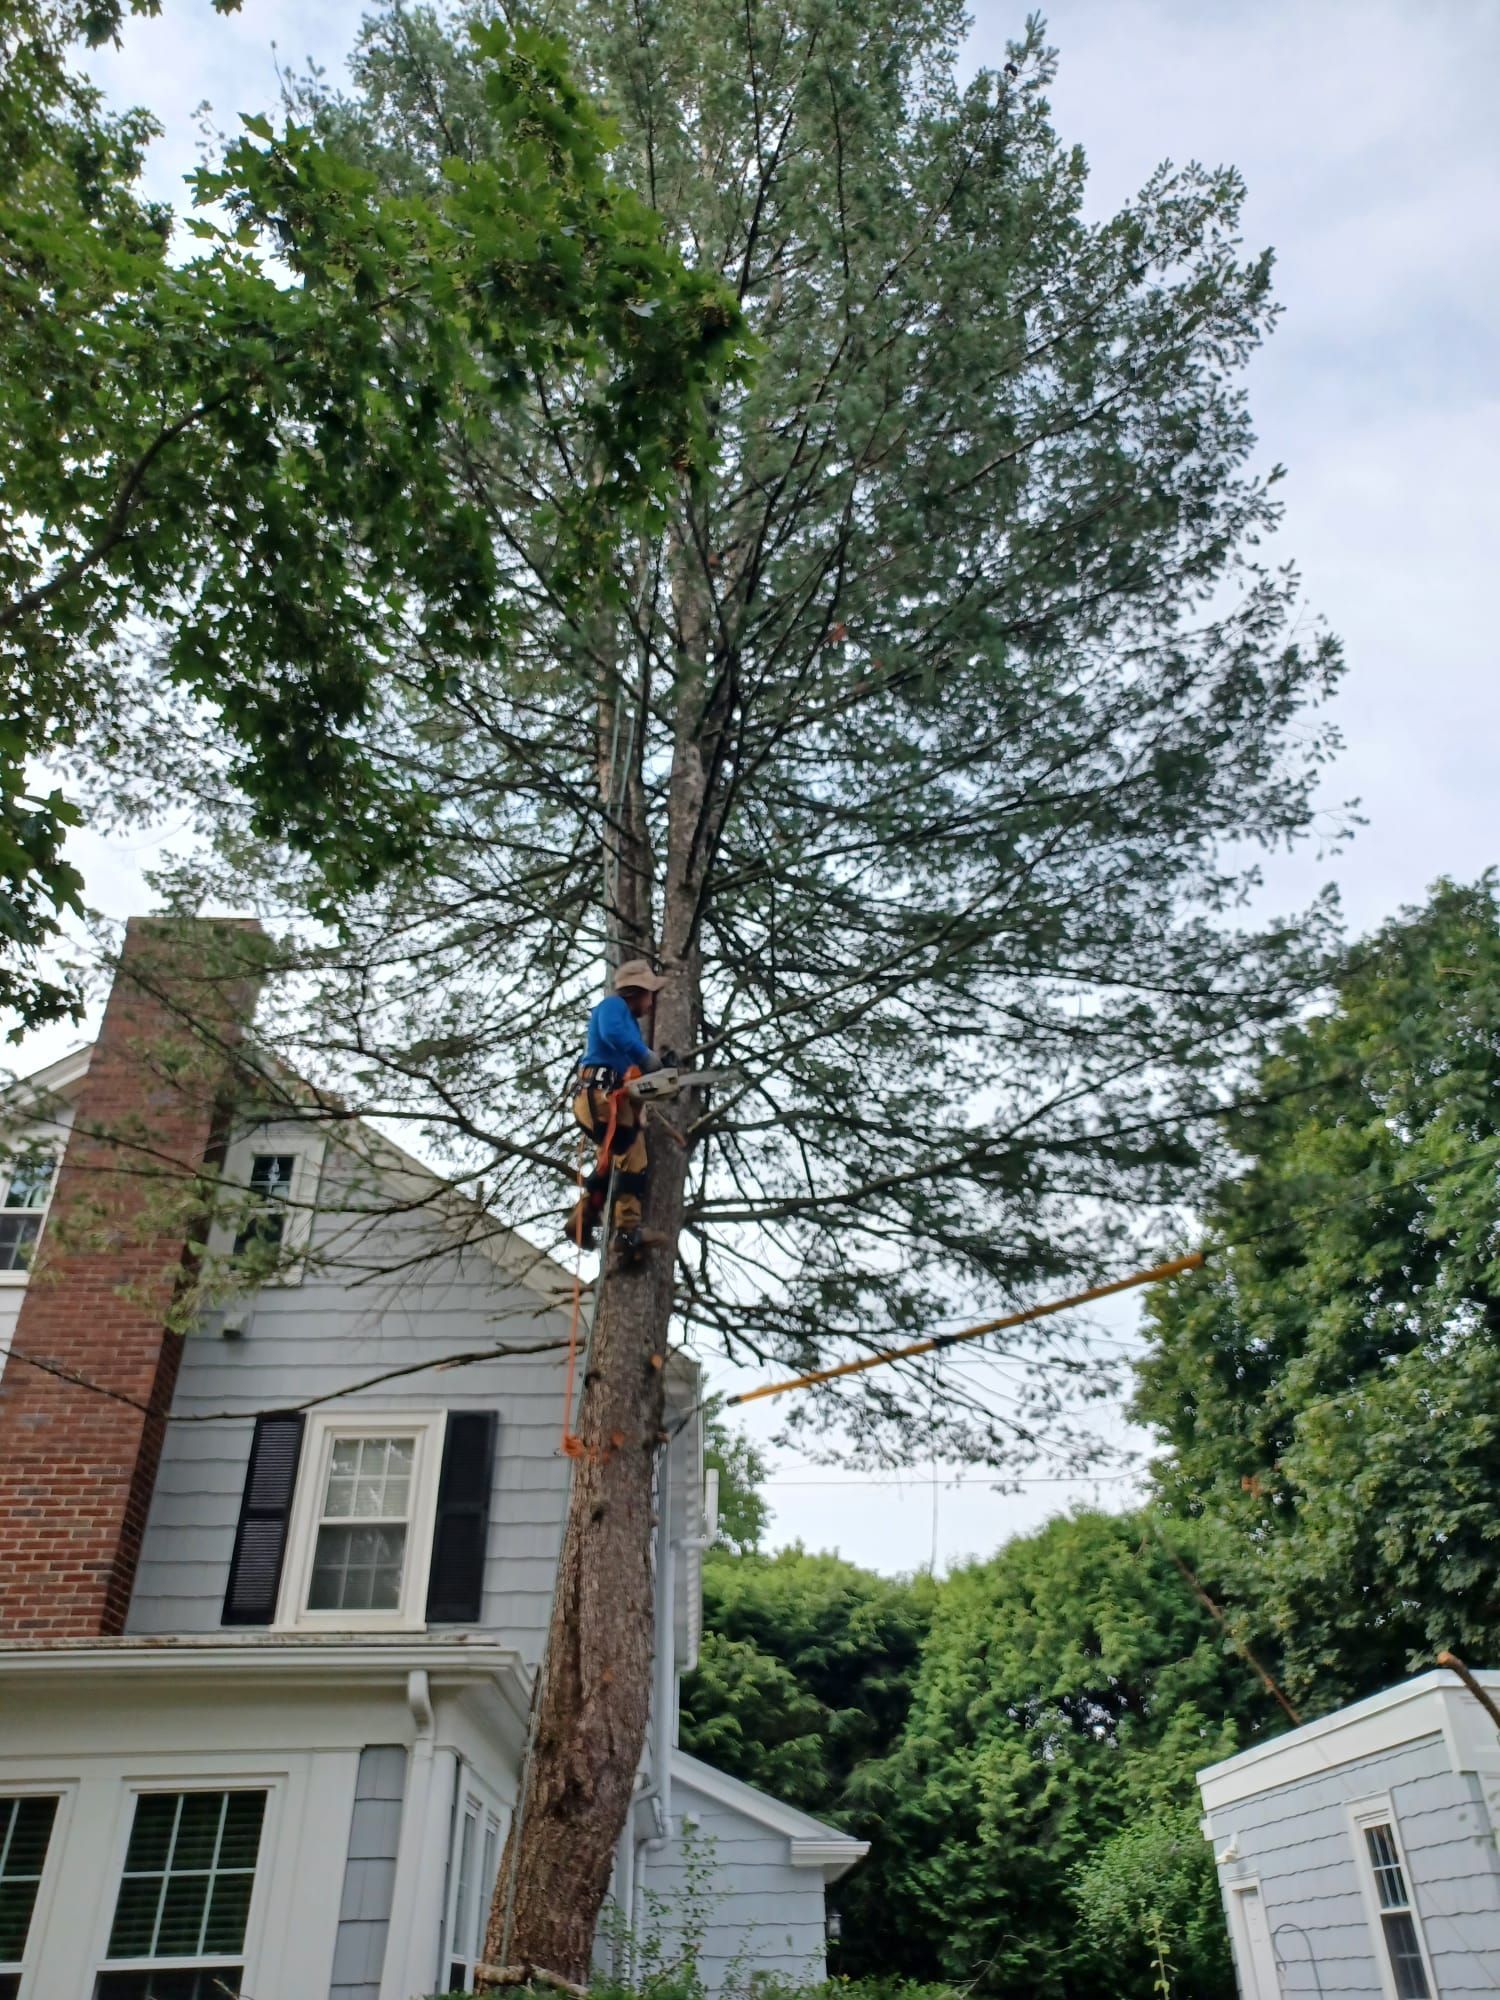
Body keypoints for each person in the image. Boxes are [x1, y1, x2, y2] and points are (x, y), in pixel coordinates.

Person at [566, 959, 670, 1260]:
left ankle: (584, 1216)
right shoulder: (613, 1007)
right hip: (599, 1098)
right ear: (638, 992)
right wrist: (647, 1056)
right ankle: (626, 1233)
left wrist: (657, 1071)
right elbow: (613, 1034)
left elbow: (633, 1069)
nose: (652, 1003)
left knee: (620, 1155)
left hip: (608, 1099)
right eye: (650, 995)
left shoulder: (631, 1028)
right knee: (632, 1156)